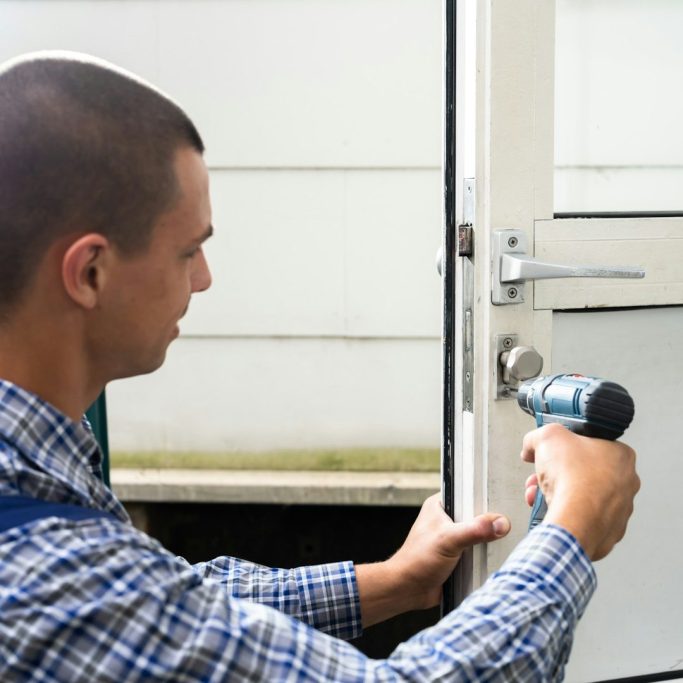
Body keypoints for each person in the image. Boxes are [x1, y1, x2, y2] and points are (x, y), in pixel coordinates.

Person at [0, 52, 639, 682]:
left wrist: (392, 581)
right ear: (90, 272)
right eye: (188, 251)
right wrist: (573, 528)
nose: (204, 279)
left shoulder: (35, 468)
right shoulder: (39, 576)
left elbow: (171, 607)